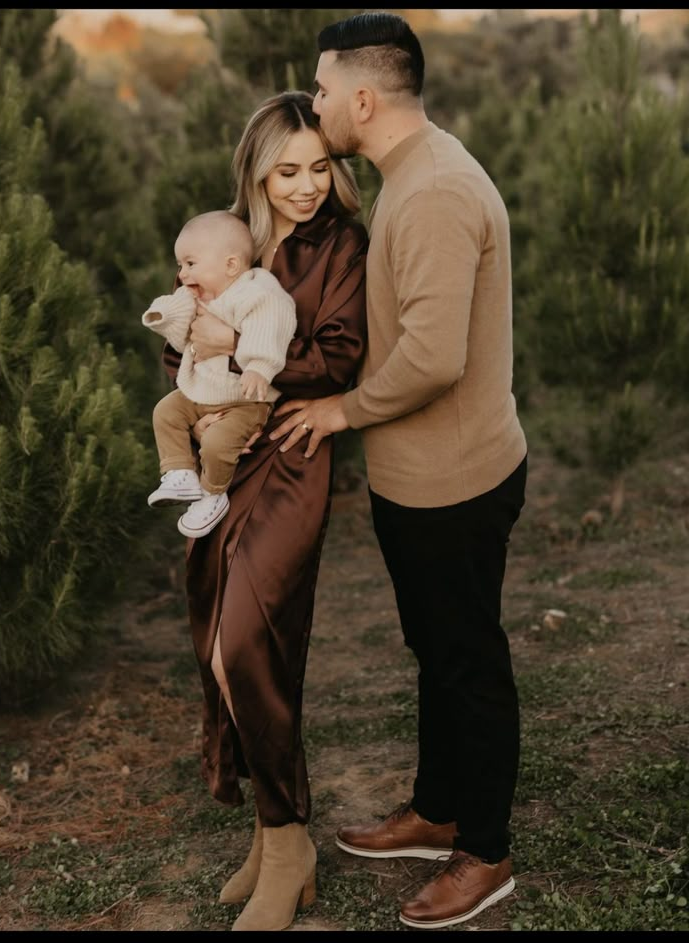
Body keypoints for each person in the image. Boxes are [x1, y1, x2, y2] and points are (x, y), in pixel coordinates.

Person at [270, 12, 528, 930]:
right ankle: (439, 806)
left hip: (456, 482)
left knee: (468, 661)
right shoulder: (411, 174)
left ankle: (484, 850)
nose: (319, 101)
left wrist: (340, 408)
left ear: (366, 98)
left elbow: (432, 357)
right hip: (419, 478)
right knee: (436, 650)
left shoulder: (437, 194)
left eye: (327, 87)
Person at [161, 91, 367, 931]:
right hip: (227, 459)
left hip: (292, 459)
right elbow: (183, 334)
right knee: (218, 645)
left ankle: (290, 845)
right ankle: (269, 830)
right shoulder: (230, 242)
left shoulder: (341, 245)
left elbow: (343, 353)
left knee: (250, 640)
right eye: (288, 171)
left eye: (320, 168)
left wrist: (251, 365)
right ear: (256, 171)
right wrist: (191, 349)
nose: (307, 186)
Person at [142, 210, 296, 539]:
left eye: (190, 264)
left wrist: (258, 367)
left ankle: (213, 494)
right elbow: (175, 314)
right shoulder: (196, 294)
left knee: (216, 443)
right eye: (180, 265)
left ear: (230, 265)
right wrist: (160, 315)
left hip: (246, 400)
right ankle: (179, 472)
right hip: (202, 392)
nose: (182, 273)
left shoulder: (257, 293)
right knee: (165, 411)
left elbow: (270, 330)